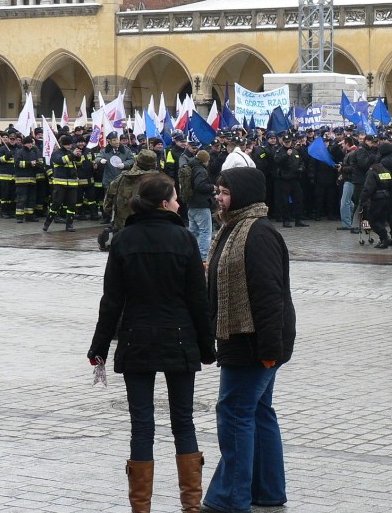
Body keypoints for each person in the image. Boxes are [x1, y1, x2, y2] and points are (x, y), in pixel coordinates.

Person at [87, 173, 215, 513]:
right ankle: (191, 506)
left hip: (136, 338)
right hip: (179, 336)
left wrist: (99, 346)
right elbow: (197, 299)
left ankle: (141, 508)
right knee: (183, 422)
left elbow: (111, 301)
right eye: (175, 198)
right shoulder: (184, 238)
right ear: (163, 203)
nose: (179, 203)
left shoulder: (125, 240)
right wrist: (207, 346)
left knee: (141, 425)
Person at [203, 167, 296, 513]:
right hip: (246, 338)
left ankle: (230, 497)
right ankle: (267, 490)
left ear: (242, 195)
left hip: (252, 341)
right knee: (257, 411)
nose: (219, 198)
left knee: (235, 412)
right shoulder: (234, 228)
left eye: (225, 192)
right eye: (218, 191)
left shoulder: (257, 233)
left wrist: (270, 350)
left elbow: (270, 295)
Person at [102, 149, 160, 231]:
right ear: (155, 164)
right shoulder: (161, 182)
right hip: (152, 230)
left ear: (136, 163)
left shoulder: (120, 180)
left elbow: (107, 207)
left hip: (123, 229)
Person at [185, 149, 215, 261]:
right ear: (205, 160)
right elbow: (200, 186)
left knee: (193, 231)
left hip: (191, 204)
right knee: (206, 232)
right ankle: (202, 258)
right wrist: (212, 187)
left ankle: (190, 253)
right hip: (201, 204)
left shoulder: (191, 167)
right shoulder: (200, 170)